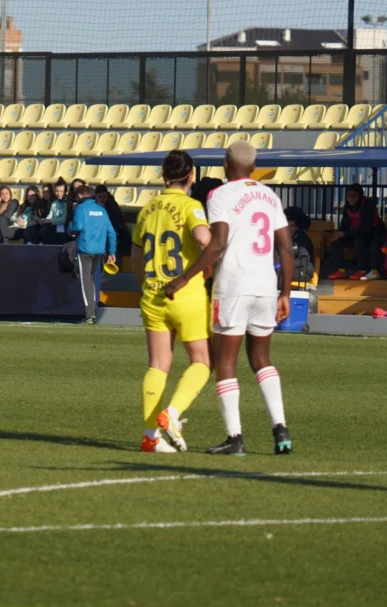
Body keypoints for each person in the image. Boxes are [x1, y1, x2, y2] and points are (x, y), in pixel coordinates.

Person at [165, 141, 294, 457]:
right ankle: (281, 431)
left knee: (224, 363)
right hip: (267, 285)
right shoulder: (270, 196)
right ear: (253, 166)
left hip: (234, 285)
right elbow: (286, 248)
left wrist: (185, 276)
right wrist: (286, 292)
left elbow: (218, 244)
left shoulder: (219, 195)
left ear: (226, 164)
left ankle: (234, 437)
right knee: (261, 359)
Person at [131, 150, 212, 453]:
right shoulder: (192, 207)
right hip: (186, 293)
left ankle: (150, 436)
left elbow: (136, 257)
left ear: (163, 176)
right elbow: (204, 240)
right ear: (191, 176)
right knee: (202, 361)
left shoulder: (147, 209)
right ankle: (173, 413)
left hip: (153, 294)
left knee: (158, 365)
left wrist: (146, 285)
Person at [68, 185, 117, 325]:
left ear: (79, 196)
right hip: (99, 251)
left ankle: (89, 315)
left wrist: (69, 228)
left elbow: (77, 227)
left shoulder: (81, 209)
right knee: (92, 281)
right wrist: (112, 252)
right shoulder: (101, 210)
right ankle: (93, 312)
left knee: (86, 282)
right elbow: (111, 232)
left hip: (85, 249)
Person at [327, 184, 383, 281]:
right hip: (359, 234)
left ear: (360, 195)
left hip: (375, 235)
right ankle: (341, 270)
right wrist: (339, 234)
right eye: (348, 195)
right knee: (336, 240)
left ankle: (363, 270)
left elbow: (365, 227)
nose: (351, 198)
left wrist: (345, 233)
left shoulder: (368, 204)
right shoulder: (347, 207)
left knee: (358, 239)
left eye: (354, 195)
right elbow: (345, 225)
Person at [282, 206, 315, 284]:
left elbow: (305, 261)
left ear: (297, 227)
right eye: (287, 226)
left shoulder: (302, 240)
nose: (289, 229)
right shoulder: (279, 240)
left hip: (301, 271)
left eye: (292, 226)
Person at [94, 184, 127, 254]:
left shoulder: (113, 206)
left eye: (104, 197)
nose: (102, 199)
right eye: (100, 197)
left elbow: (116, 221)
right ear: (95, 196)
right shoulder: (91, 206)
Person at [40, 178, 69, 244]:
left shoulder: (68, 202)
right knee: (45, 228)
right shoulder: (54, 203)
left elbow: (63, 220)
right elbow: (50, 215)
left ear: (65, 192)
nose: (59, 193)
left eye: (61, 191)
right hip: (54, 223)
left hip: (63, 224)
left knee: (59, 231)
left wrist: (50, 220)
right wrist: (45, 220)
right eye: (57, 191)